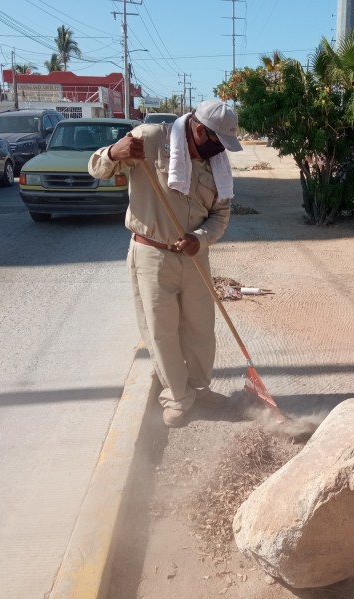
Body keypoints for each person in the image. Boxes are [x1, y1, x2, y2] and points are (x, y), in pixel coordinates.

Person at [88, 100, 242, 428]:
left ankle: (199, 389)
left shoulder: (218, 163)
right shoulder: (150, 138)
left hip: (194, 254)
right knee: (162, 331)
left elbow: (221, 213)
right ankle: (177, 397)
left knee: (201, 327)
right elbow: (97, 170)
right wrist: (114, 152)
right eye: (216, 142)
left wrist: (200, 238)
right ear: (200, 130)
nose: (220, 151)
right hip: (152, 254)